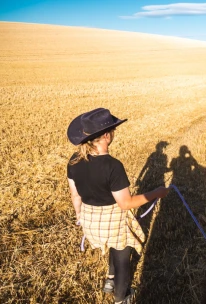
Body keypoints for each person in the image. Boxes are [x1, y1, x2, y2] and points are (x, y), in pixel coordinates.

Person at [66, 108, 170, 304]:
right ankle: (121, 299)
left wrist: (79, 216)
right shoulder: (113, 166)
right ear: (106, 135)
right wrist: (157, 193)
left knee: (112, 245)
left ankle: (110, 281)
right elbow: (125, 203)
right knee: (123, 258)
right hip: (112, 219)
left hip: (89, 219)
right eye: (112, 129)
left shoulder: (74, 160)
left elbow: (75, 194)